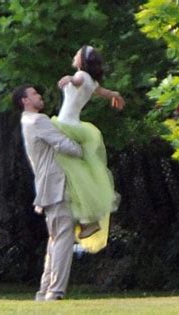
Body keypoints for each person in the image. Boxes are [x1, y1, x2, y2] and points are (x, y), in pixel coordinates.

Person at [14, 84, 82, 301]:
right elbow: (63, 144)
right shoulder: (38, 120)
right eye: (34, 94)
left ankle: (45, 290)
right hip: (56, 186)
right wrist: (84, 149)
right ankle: (56, 290)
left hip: (46, 186)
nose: (39, 96)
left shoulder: (26, 122)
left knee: (55, 239)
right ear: (24, 101)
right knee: (63, 237)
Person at [54, 45, 124, 250]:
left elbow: (77, 81)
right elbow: (103, 91)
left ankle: (83, 217)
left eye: (77, 54)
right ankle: (86, 219)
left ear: (83, 60)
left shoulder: (82, 75)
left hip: (66, 125)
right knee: (77, 173)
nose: (74, 55)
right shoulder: (92, 81)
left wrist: (69, 78)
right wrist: (115, 94)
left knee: (68, 170)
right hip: (75, 125)